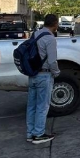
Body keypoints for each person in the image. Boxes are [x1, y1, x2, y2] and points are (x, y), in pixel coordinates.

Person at [26, 14, 60, 145]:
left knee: (31, 106)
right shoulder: (50, 39)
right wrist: (56, 72)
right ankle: (39, 134)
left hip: (33, 74)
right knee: (42, 106)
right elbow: (52, 61)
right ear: (55, 24)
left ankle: (30, 133)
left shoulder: (36, 34)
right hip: (44, 75)